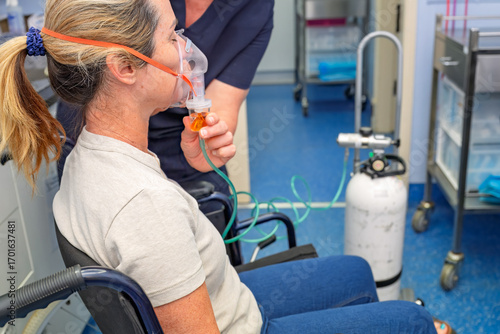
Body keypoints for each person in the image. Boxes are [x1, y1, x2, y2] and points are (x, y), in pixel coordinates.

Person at [0, 0, 438, 333]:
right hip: (238, 322)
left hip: (223, 294)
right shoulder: (144, 205)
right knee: (412, 322)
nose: (187, 50)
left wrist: (201, 147)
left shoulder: (90, 160)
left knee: (357, 272)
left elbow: (214, 115)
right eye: (173, 37)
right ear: (125, 68)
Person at [55, 0, 274, 196]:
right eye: (172, 38)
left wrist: (206, 140)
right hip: (101, 129)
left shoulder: (254, 8)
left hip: (183, 147)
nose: (188, 56)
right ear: (125, 65)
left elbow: (220, 107)